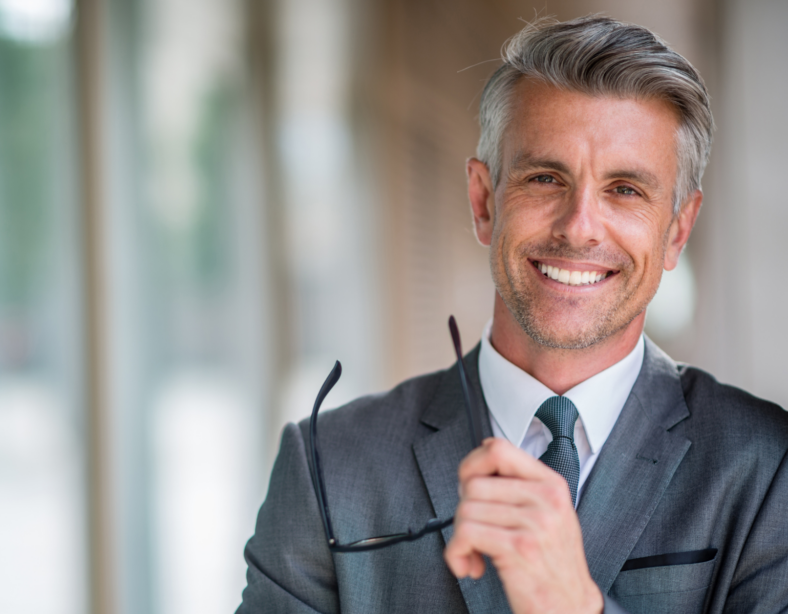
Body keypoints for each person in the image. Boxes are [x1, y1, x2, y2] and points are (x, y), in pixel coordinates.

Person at [236, 14, 788, 614]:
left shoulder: (765, 467)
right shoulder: (327, 468)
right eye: (545, 178)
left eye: (625, 189)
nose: (579, 226)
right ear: (483, 202)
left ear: (678, 231)